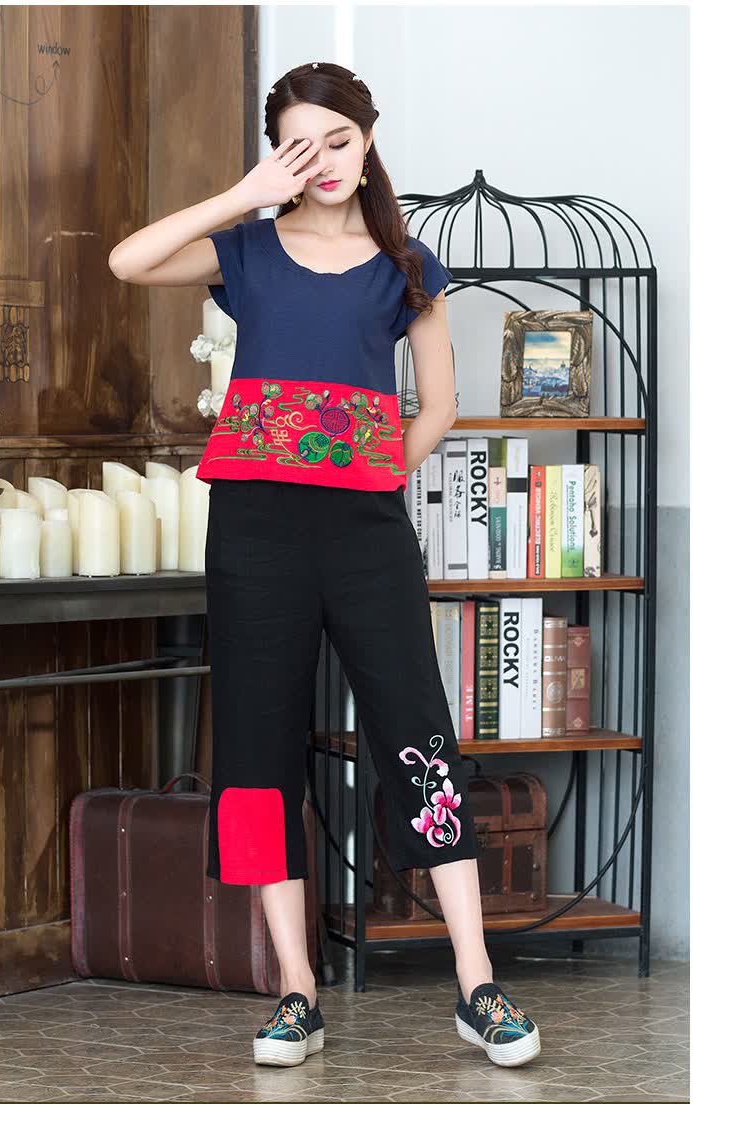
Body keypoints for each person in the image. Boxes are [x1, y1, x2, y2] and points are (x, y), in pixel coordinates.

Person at [108, 60, 540, 1071]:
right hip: (253, 532)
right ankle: (296, 989)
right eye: (299, 146)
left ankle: (476, 982)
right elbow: (128, 261)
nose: (324, 161)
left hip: (365, 532)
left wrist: (370, 468)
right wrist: (246, 193)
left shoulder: (407, 264)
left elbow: (438, 405)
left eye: (339, 140)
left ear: (368, 139)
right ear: (277, 154)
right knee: (257, 749)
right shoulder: (247, 250)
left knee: (417, 733)